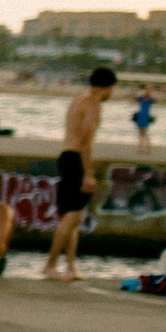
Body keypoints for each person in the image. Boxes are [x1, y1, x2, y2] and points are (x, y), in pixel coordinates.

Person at [42, 66, 116, 281]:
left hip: (66, 155)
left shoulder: (78, 99)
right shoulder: (93, 104)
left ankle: (71, 266)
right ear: (108, 87)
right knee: (72, 217)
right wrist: (89, 173)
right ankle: (50, 266)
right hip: (76, 160)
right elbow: (85, 141)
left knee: (74, 216)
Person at [131, 87, 155, 156]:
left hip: (145, 116)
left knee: (145, 132)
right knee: (140, 132)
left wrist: (150, 92)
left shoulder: (150, 100)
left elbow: (155, 99)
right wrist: (134, 91)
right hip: (140, 115)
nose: (146, 92)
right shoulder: (141, 98)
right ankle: (141, 147)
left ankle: (147, 147)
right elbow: (134, 98)